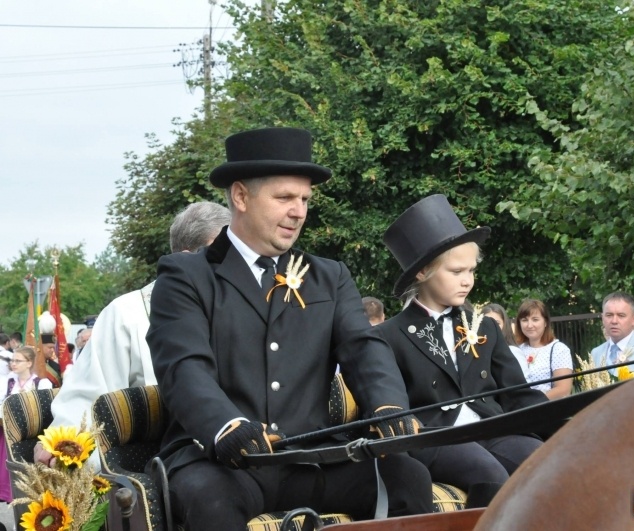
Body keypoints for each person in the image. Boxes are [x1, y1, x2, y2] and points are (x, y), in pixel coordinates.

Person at [146, 127, 433, 530]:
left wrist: (388, 406)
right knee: (210, 501)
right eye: (284, 198)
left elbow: (364, 348)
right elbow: (183, 366)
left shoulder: (329, 276)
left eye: (304, 200)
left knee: (406, 476)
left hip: (311, 457)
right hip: (222, 461)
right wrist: (226, 425)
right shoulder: (185, 276)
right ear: (241, 196)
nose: (299, 212)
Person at [377, 194, 548, 508]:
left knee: (545, 463)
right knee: (489, 475)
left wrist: (572, 422)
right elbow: (393, 404)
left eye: (471, 271)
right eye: (456, 272)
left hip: (492, 429)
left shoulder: (485, 327)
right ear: (422, 271)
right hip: (435, 437)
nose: (467, 281)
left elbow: (517, 394)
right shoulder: (388, 336)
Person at [34, 201, 232, 468]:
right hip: (161, 468)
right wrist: (66, 444)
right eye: (223, 258)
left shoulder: (243, 309)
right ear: (188, 257)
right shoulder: (127, 314)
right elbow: (88, 400)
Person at [1, 346, 54, 502]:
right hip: (7, 432)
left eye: (18, 361)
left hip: (30, 434)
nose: (13, 363)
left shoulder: (41, 383)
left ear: (29, 363)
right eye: (12, 360)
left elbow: (45, 410)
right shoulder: (7, 382)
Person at [513, 299, 574, 399]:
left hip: (547, 406)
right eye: (524, 320)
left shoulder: (559, 350)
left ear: (545, 322)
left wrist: (534, 402)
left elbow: (563, 389)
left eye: (535, 319)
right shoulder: (517, 350)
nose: (529, 325)